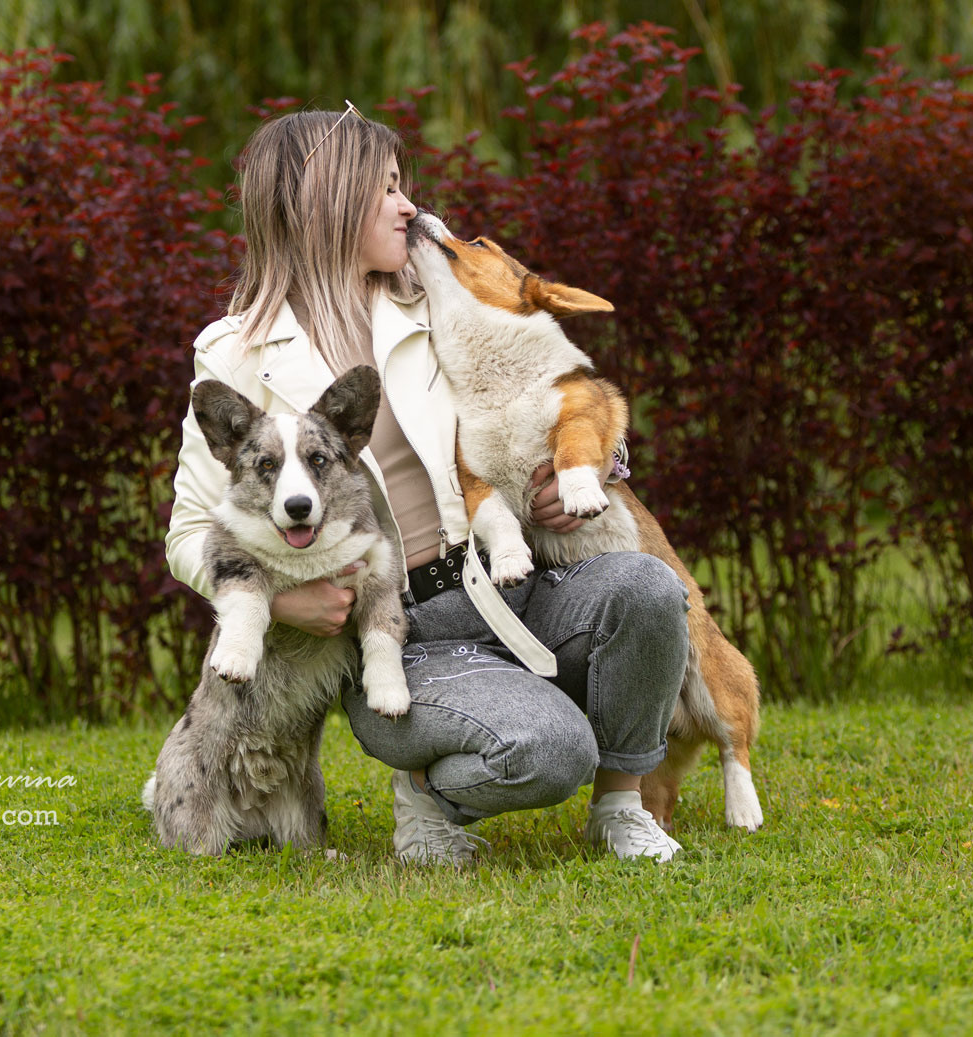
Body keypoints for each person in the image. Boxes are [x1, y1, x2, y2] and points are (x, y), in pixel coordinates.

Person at [164, 105, 691, 865]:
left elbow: (558, 380)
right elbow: (186, 535)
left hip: (509, 576)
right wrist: (281, 600)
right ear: (327, 201)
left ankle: (622, 806)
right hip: (397, 629)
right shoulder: (237, 351)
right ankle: (429, 805)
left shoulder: (434, 294)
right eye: (385, 188)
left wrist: (593, 468)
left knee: (649, 587)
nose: (409, 206)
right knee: (551, 749)